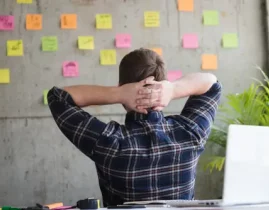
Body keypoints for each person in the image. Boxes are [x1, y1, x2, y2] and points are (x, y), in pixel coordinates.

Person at [47, 48, 222, 206]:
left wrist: (118, 93)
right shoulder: (190, 133)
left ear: (122, 86)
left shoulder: (108, 143)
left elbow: (58, 97)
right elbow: (212, 85)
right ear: (163, 85)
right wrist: (174, 89)